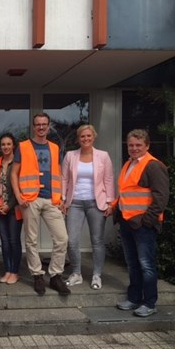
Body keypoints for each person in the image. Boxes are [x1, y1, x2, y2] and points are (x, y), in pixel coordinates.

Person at [10, 113, 70, 296]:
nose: (41, 127)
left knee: (62, 238)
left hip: (52, 199)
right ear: (33, 127)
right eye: (38, 125)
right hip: (30, 199)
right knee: (31, 240)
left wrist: (61, 198)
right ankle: (37, 275)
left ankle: (55, 275)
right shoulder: (23, 146)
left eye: (44, 124)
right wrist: (19, 197)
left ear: (49, 126)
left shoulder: (54, 147)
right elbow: (14, 173)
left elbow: (59, 173)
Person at [115, 129, 169, 317]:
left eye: (138, 145)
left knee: (146, 264)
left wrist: (147, 220)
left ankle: (150, 302)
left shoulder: (153, 166)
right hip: (127, 221)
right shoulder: (129, 164)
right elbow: (125, 192)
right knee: (132, 264)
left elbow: (161, 198)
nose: (134, 148)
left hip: (143, 225)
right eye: (131, 145)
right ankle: (134, 298)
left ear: (147, 145)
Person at [61, 124, 115, 290]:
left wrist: (110, 202)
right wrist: (63, 199)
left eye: (88, 136)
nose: (85, 139)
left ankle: (96, 275)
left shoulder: (103, 156)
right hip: (74, 202)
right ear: (78, 139)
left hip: (96, 203)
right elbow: (63, 179)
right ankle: (76, 273)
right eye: (82, 136)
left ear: (94, 137)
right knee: (72, 240)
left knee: (97, 240)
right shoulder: (70, 155)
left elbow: (108, 179)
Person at [0, 133, 23, 285]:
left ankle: (15, 272)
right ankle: (8, 270)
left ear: (13, 146)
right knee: (4, 241)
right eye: (3, 144)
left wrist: (8, 205)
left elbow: (20, 187)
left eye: (8, 144)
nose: (6, 147)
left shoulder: (18, 163)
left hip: (14, 208)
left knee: (13, 240)